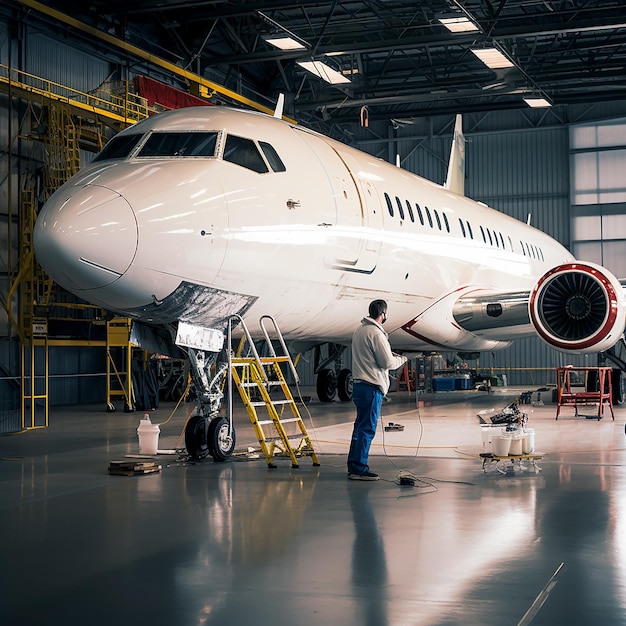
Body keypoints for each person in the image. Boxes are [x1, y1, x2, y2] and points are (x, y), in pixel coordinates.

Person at [347, 299, 408, 481]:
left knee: (359, 428)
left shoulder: (360, 331)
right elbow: (387, 363)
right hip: (371, 387)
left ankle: (354, 465)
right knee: (367, 428)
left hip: (359, 385)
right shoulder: (376, 333)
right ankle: (359, 469)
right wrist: (402, 359)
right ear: (383, 313)